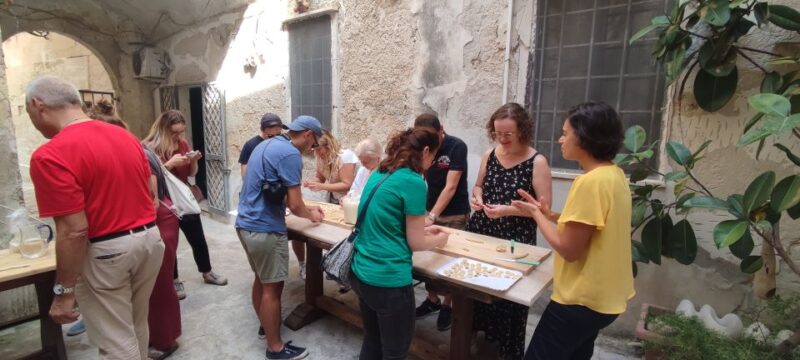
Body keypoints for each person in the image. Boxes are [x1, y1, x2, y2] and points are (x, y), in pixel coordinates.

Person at [26, 76, 164, 359]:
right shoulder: (125, 136)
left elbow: (73, 230)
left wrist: (64, 292)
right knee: (135, 325)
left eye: (29, 113)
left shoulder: (50, 154)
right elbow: (151, 194)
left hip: (107, 253)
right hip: (150, 240)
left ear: (38, 105)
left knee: (115, 341)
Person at [513, 102, 634, 360]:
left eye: (566, 133)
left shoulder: (589, 183)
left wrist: (535, 215)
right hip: (605, 300)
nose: (560, 139)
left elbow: (569, 249)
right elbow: (592, 226)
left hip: (580, 301)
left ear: (585, 137)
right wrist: (550, 215)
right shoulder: (614, 175)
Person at [350, 127, 450, 360]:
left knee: (373, 341)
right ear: (425, 151)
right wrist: (440, 239)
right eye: (433, 156)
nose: (433, 161)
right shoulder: (413, 181)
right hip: (388, 281)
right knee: (395, 351)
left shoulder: (381, 172)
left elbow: (387, 219)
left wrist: (423, 227)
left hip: (362, 272)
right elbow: (415, 242)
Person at [467, 102, 553, 359]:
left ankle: (507, 348)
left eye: (508, 134)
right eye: (497, 133)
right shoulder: (490, 154)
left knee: (509, 295)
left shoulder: (537, 162)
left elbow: (543, 209)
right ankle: (479, 339)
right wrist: (477, 198)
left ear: (522, 132)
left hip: (515, 237)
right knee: (478, 286)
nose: (502, 139)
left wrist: (507, 210)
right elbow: (478, 185)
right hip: (482, 229)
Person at [236, 115, 325, 360]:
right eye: (314, 143)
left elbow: (274, 190)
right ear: (307, 134)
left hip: (245, 223)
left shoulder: (265, 144)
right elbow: (295, 205)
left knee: (261, 279)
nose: (312, 149)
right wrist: (311, 215)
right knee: (273, 288)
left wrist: (305, 208)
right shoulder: (290, 155)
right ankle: (275, 348)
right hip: (264, 228)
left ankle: (267, 326)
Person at [99, 116, 182, 360]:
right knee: (154, 286)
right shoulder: (135, 151)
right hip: (153, 223)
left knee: (159, 286)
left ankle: (166, 340)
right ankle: (158, 337)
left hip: (158, 222)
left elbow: (152, 201)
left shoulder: (140, 153)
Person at [143, 110, 227, 300]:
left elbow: (190, 173)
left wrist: (194, 161)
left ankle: (207, 271)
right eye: (175, 132)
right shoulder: (149, 149)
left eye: (182, 132)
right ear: (164, 129)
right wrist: (170, 163)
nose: (179, 136)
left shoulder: (182, 143)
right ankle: (174, 280)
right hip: (165, 202)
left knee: (197, 237)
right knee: (169, 243)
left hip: (182, 197)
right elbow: (148, 177)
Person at [411, 113, 470, 331]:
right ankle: (433, 299)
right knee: (429, 258)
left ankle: (448, 305)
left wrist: (432, 216)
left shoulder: (456, 147)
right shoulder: (424, 147)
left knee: (450, 263)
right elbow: (421, 177)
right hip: (430, 210)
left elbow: (451, 186)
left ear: (440, 130)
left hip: (454, 213)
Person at [65, 98, 119, 338]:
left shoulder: (60, 152)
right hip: (132, 236)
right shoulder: (127, 145)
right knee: (127, 322)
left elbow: (73, 230)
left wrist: (62, 291)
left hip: (106, 240)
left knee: (114, 330)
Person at [300, 129, 358, 280]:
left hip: (350, 201)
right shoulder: (320, 156)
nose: (317, 153)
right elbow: (320, 178)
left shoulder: (345, 156)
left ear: (329, 146)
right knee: (329, 235)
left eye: (319, 149)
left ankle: (346, 273)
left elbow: (347, 184)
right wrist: (312, 183)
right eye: (315, 149)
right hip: (334, 199)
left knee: (346, 237)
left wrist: (322, 187)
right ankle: (335, 266)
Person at [239, 113, 287, 177]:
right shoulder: (250, 145)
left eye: (278, 135)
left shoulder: (283, 143)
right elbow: (245, 175)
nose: (275, 139)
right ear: (262, 130)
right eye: (270, 136)